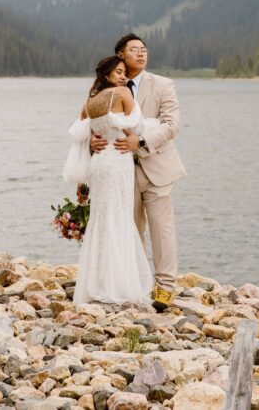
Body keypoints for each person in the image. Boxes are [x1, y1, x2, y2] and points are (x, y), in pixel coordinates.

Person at [91, 33, 186, 312]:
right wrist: (92, 141)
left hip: (157, 165)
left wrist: (141, 142)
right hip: (120, 172)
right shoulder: (105, 88)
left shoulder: (163, 85)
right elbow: (91, 122)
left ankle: (166, 288)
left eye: (144, 49)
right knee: (129, 230)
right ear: (121, 55)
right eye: (135, 50)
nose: (142, 54)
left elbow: (171, 125)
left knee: (162, 229)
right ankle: (133, 284)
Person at [64, 56, 153, 306]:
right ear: (106, 75)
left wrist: (95, 138)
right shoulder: (123, 93)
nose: (123, 77)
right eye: (118, 72)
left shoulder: (89, 102)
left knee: (102, 218)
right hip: (118, 160)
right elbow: (137, 127)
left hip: (99, 163)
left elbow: (81, 134)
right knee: (119, 217)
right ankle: (118, 284)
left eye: (124, 73)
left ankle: (97, 283)